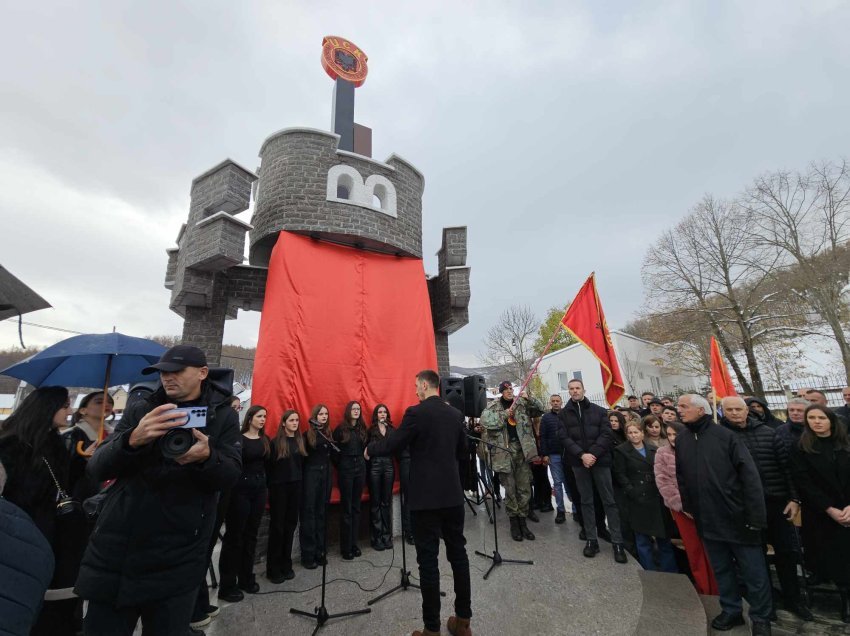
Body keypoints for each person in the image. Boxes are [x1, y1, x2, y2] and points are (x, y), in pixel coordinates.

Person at [74, 345, 242, 636]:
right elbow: (98, 468)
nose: (168, 378)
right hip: (117, 550)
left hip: (178, 557)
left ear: (202, 373)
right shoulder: (142, 408)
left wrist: (206, 458)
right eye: (163, 372)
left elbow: (229, 475)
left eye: (176, 371)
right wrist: (131, 441)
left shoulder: (222, 416)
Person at [364, 369, 471, 636]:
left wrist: (370, 449)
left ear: (425, 385)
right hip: (453, 497)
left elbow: (394, 443)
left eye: (415, 386)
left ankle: (431, 629)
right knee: (459, 556)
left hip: (426, 500)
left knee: (428, 562)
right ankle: (463, 622)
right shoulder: (456, 415)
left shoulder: (416, 413)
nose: (414, 391)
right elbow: (463, 452)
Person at [675, 394, 772, 635]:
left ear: (701, 410)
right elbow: (682, 476)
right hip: (706, 520)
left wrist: (755, 517)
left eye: (684, 407)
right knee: (722, 569)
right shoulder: (684, 439)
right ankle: (731, 610)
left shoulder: (726, 437)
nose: (679, 410)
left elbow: (749, 478)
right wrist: (689, 505)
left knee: (754, 572)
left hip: (738, 517)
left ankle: (760, 617)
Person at [0, 386, 85, 636]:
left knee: (55, 602)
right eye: (64, 405)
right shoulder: (11, 446)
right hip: (21, 533)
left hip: (54, 533)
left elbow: (63, 485)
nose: (69, 411)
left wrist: (82, 462)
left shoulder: (55, 442)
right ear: (48, 408)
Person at [719, 396, 811, 620]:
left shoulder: (769, 433)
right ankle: (766, 603)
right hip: (745, 508)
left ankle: (793, 599)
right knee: (755, 558)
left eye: (738, 409)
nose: (734, 413)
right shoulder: (720, 438)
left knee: (787, 553)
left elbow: (786, 468)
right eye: (728, 410)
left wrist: (794, 499)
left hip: (776, 502)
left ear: (746, 410)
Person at [790, 405, 850, 623]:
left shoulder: (846, 443)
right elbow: (804, 482)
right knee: (837, 558)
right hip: (821, 513)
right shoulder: (801, 448)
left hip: (848, 509)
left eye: (821, 417)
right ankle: (845, 600)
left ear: (831, 420)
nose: (817, 421)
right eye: (812, 418)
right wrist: (830, 509)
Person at [558, 379, 628, 563]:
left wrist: (593, 455)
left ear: (584, 389)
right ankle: (591, 540)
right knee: (586, 501)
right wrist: (582, 455)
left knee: (609, 501)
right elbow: (564, 437)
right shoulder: (564, 414)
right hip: (578, 463)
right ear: (569, 391)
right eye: (571, 388)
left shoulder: (598, 411)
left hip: (600, 461)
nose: (574, 391)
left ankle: (617, 542)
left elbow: (606, 434)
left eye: (577, 388)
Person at [655, 421, 718, 595]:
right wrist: (683, 506)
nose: (673, 438)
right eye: (669, 435)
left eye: (676, 434)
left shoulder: (698, 449)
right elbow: (663, 482)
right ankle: (704, 587)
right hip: (682, 510)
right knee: (694, 550)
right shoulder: (662, 453)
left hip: (705, 507)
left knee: (713, 550)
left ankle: (720, 585)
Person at [480, 381, 544, 542]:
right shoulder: (493, 407)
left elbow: (539, 410)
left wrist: (529, 398)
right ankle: (514, 523)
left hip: (522, 450)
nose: (509, 391)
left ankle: (523, 521)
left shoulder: (521, 403)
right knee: (510, 489)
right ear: (501, 392)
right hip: (504, 452)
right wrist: (504, 414)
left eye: (511, 389)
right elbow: (486, 422)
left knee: (524, 488)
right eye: (506, 389)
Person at [218, 405, 269, 601]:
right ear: (250, 418)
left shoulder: (265, 440)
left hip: (259, 489)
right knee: (235, 537)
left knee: (251, 535)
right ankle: (227, 583)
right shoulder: (239, 440)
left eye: (265, 416)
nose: (263, 419)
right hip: (240, 491)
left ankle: (246, 577)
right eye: (259, 416)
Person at [613, 422, 677, 572]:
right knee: (642, 539)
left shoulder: (655, 450)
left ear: (642, 433)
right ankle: (649, 570)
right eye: (630, 433)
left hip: (656, 497)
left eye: (636, 432)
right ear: (627, 435)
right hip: (638, 498)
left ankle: (671, 571)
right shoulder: (621, 451)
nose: (634, 435)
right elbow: (620, 474)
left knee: (664, 538)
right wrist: (631, 491)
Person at [266, 410, 306, 582]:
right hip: (279, 488)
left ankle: (286, 564)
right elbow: (270, 468)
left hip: (295, 487)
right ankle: (273, 568)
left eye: (297, 420)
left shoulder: (299, 441)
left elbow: (301, 465)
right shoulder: (276, 443)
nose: (295, 423)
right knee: (278, 528)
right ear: (284, 423)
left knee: (290, 526)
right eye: (291, 420)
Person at [300, 403, 335, 569]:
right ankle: (308, 554)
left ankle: (320, 551)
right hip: (311, 475)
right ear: (315, 416)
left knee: (322, 512)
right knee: (309, 513)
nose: (324, 417)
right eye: (321, 414)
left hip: (326, 474)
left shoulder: (328, 434)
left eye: (326, 414)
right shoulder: (307, 435)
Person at [64, 391, 114, 501]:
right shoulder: (71, 436)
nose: (107, 404)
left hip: (110, 497)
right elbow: (64, 472)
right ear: (83, 410)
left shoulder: (115, 435)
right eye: (99, 402)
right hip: (81, 498)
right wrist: (84, 460)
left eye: (110, 402)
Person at [333, 401, 368, 559]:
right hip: (346, 470)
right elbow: (335, 453)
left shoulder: (362, 429)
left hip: (360, 468)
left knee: (356, 507)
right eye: (353, 409)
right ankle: (345, 547)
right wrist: (342, 465)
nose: (356, 411)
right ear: (348, 411)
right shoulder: (340, 429)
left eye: (358, 409)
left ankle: (354, 544)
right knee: (346, 509)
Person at [367, 404, 396, 551]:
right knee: (376, 502)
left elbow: (395, 447)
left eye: (385, 411)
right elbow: (366, 451)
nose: (383, 414)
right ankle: (376, 537)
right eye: (380, 412)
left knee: (386, 501)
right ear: (376, 415)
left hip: (389, 465)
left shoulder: (392, 430)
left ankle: (387, 536)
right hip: (375, 465)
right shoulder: (371, 430)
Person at [540, 394, 571, 523]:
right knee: (557, 483)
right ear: (550, 403)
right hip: (554, 455)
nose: (555, 403)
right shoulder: (546, 418)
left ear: (561, 402)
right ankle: (561, 510)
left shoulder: (568, 415)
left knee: (570, 483)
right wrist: (545, 454)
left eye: (557, 401)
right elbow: (543, 437)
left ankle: (575, 509)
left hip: (569, 454)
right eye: (553, 401)